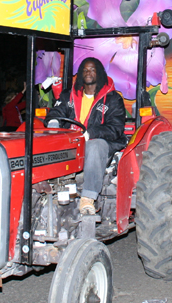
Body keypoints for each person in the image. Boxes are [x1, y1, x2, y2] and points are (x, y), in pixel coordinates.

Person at [46, 58, 126, 215]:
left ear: (100, 73)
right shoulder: (68, 95)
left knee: (94, 146)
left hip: (102, 143)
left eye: (92, 70)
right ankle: (49, 190)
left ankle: (88, 198)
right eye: (85, 70)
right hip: (72, 141)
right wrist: (54, 121)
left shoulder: (113, 99)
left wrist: (91, 133)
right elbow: (56, 112)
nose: (88, 73)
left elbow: (115, 128)